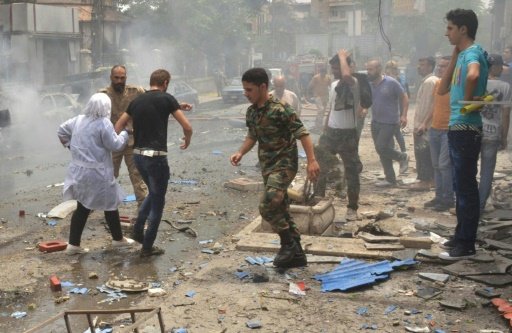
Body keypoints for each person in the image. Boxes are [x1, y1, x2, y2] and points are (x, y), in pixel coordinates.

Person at [230, 68, 320, 268]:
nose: (245, 94)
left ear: (263, 87)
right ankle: (296, 253)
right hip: (267, 166)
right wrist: (240, 152)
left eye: (249, 90)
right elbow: (252, 136)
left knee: (267, 205)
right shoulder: (252, 111)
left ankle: (287, 244)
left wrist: (312, 161)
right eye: (244, 89)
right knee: (281, 208)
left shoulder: (281, 109)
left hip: (285, 165)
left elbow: (303, 133)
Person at [115, 69, 193, 258]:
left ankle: (137, 227)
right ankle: (147, 246)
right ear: (165, 83)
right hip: (156, 158)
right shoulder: (167, 99)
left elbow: (118, 126)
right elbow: (187, 127)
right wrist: (187, 139)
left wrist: (129, 134)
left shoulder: (137, 101)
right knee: (158, 201)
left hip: (138, 156)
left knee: (153, 193)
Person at [438, 8, 489, 260]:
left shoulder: (474, 52)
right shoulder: (463, 54)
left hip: (466, 128)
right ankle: (460, 237)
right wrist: (454, 53)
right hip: (459, 128)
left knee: (466, 188)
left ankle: (466, 243)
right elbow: (442, 88)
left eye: (450, 28)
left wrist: (469, 99)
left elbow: (474, 73)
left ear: (463, 29)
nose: (446, 33)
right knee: (461, 186)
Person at [57, 93, 135, 255]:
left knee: (83, 206)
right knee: (110, 204)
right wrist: (126, 133)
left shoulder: (77, 120)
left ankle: (73, 245)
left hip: (79, 172)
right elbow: (115, 145)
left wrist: (71, 146)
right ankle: (117, 240)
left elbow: (61, 131)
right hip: (98, 173)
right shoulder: (103, 123)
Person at [314, 49, 363, 221]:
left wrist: (343, 57)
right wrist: (325, 128)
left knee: (351, 171)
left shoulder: (355, 82)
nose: (335, 72)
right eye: (333, 69)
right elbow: (331, 108)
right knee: (319, 167)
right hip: (331, 133)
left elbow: (347, 77)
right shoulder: (334, 85)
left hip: (348, 134)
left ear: (348, 67)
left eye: (338, 68)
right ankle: (318, 201)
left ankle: (352, 207)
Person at [99, 65, 148, 210]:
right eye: (116, 78)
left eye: (122, 78)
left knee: (137, 175)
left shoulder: (136, 92)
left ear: (126, 78)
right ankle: (104, 206)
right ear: (111, 78)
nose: (119, 81)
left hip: (131, 142)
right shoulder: (102, 95)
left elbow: (153, 99)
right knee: (109, 176)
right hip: (112, 143)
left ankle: (143, 208)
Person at [367, 59, 409, 187]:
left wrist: (404, 115)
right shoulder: (370, 85)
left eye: (371, 69)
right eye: (367, 69)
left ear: (379, 69)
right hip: (376, 122)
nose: (368, 72)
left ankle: (402, 157)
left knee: (381, 147)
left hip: (390, 122)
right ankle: (390, 179)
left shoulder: (391, 83)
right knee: (382, 150)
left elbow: (404, 97)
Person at [479, 54, 511, 214]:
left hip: (474, 131)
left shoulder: (477, 83)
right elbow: (505, 114)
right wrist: (504, 137)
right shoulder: (504, 87)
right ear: (496, 67)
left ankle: (467, 203)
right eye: (500, 66)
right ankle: (480, 204)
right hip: (492, 134)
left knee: (469, 169)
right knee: (486, 171)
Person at [424, 56, 455, 212]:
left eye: (444, 66)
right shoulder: (438, 83)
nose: (440, 68)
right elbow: (434, 106)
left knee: (444, 165)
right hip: (435, 129)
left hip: (448, 131)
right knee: (436, 166)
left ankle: (448, 198)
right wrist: (425, 122)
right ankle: (439, 196)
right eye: (440, 66)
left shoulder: (457, 85)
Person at [409, 56, 437, 191]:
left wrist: (421, 124)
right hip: (427, 124)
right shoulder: (428, 81)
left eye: (423, 65)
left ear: (430, 67)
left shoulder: (430, 82)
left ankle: (425, 181)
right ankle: (430, 180)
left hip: (424, 126)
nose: (419, 67)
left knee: (423, 153)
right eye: (419, 64)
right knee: (427, 153)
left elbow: (428, 106)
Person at [384, 60, 409, 166]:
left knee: (396, 131)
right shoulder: (386, 78)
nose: (390, 70)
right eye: (389, 67)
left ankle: (402, 152)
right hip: (388, 109)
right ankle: (395, 151)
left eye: (392, 68)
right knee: (393, 132)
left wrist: (404, 113)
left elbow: (405, 96)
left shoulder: (398, 80)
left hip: (396, 108)